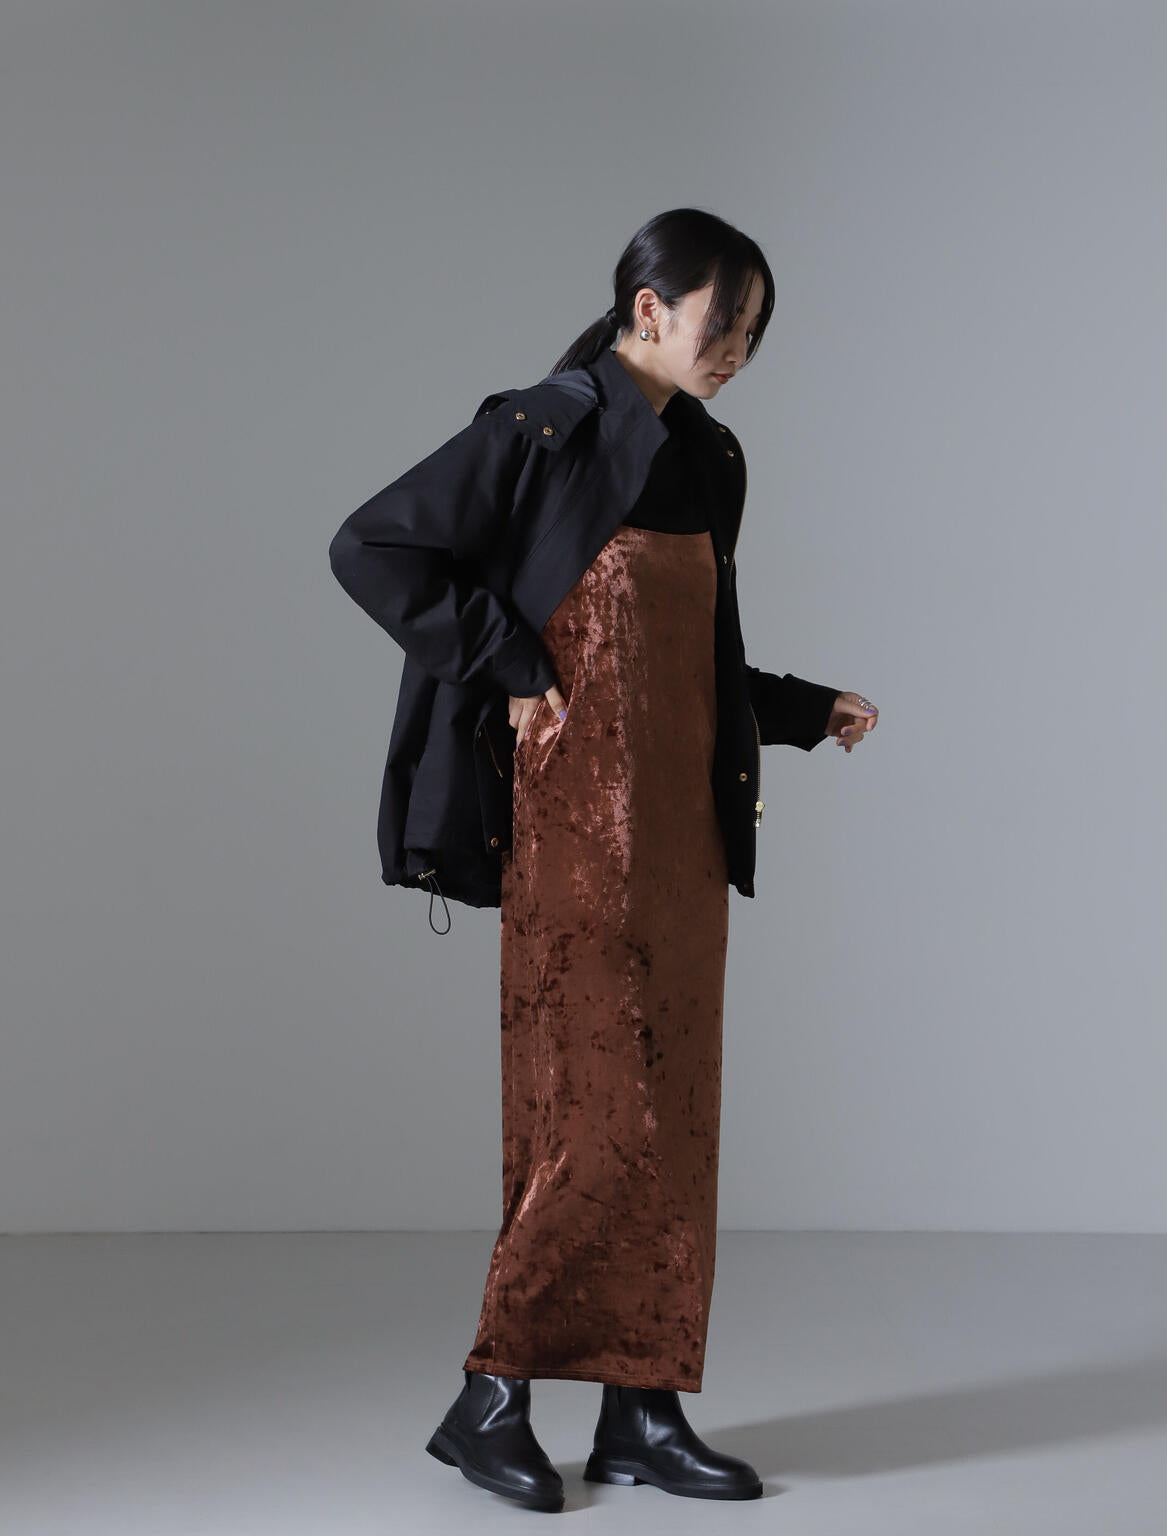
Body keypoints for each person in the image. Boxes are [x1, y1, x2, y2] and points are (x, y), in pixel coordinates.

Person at [334, 209, 878, 1514]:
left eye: (753, 333)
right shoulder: (545, 428)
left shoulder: (709, 456)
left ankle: (642, 1407)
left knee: (673, 1122)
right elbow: (374, 546)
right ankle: (491, 1398)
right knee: (587, 1118)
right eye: (724, 322)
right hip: (576, 833)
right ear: (649, 308)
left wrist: (804, 711)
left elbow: (686, 664)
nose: (738, 350)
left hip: (685, 843)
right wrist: (514, 672)